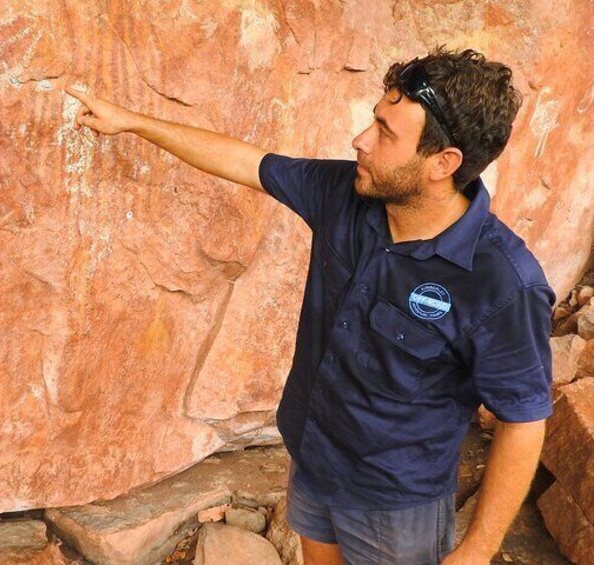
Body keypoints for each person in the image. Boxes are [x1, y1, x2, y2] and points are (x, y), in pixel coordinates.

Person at [65, 47, 554, 564]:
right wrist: (132, 123)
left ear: (443, 163)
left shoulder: (503, 282)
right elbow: (246, 162)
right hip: (312, 452)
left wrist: (477, 551)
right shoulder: (343, 193)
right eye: (374, 121)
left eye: (386, 133)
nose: (360, 141)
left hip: (394, 501)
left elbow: (523, 420)